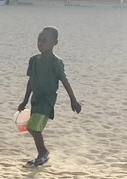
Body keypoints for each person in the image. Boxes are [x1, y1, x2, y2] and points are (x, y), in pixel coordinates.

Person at [17, 26, 81, 168]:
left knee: (34, 127)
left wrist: (73, 100)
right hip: (36, 100)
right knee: (32, 127)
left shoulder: (56, 62)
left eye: (44, 41)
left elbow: (64, 81)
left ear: (54, 43)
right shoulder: (33, 60)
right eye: (39, 40)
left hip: (47, 100)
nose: (40, 44)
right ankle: (42, 153)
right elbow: (31, 81)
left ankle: (43, 153)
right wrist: (25, 100)